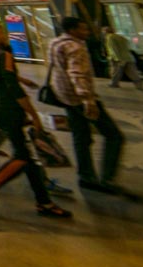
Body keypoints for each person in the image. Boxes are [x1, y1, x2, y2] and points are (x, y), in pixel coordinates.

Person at [0, 19, 72, 218]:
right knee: (24, 156)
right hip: (8, 108)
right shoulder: (3, 55)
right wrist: (33, 114)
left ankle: (44, 202)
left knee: (29, 158)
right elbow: (13, 88)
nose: (4, 34)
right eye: (0, 31)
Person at [49, 17, 128, 195]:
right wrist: (87, 99)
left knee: (81, 136)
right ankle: (107, 178)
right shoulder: (75, 47)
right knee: (113, 135)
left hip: (66, 98)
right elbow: (77, 74)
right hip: (80, 98)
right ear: (72, 30)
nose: (87, 32)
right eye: (83, 29)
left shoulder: (55, 43)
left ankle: (86, 176)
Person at [104, 26, 143, 91]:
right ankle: (139, 86)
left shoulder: (110, 37)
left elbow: (113, 48)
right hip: (128, 57)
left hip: (118, 58)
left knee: (116, 72)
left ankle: (114, 84)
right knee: (133, 73)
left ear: (106, 32)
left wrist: (116, 58)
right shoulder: (122, 37)